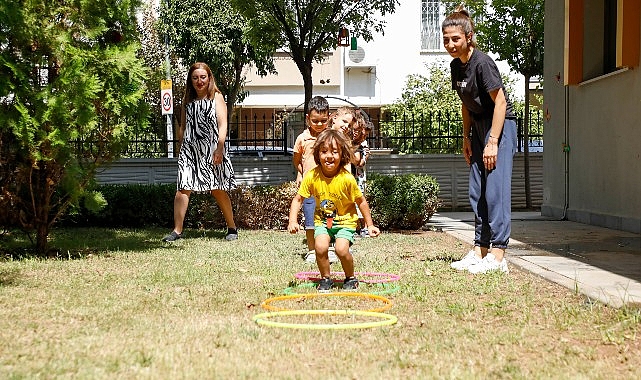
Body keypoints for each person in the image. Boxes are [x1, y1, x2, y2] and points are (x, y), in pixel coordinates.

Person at [442, 7, 517, 274]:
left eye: (455, 39)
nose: (450, 44)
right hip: (477, 127)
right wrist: (466, 136)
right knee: (478, 191)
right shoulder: (455, 66)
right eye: (446, 39)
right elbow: (465, 104)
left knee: (495, 191)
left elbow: (500, 103)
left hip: (499, 126)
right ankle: (479, 251)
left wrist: (493, 141)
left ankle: (498, 257)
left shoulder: (483, 63)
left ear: (469, 37)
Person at [288, 129, 380, 292]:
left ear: (342, 155)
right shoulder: (312, 176)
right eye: (324, 151)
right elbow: (298, 199)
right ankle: (325, 279)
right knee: (321, 248)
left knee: (341, 249)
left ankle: (350, 278)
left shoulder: (346, 178)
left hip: (345, 221)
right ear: (317, 154)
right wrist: (293, 221)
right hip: (324, 221)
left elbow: (361, 202)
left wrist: (370, 225)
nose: (329, 156)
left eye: (334, 152)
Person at [162, 62, 238, 242]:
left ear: (209, 78)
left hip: (211, 150)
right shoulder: (187, 100)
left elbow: (223, 124)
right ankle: (177, 231)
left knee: (217, 189)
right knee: (183, 188)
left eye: (203, 77)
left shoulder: (217, 97)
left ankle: (232, 227)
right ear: (191, 80)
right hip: (189, 150)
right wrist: (181, 147)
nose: (199, 81)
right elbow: (183, 126)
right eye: (195, 77)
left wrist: (219, 147)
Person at [292, 96, 335, 262]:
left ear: (329, 118)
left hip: (328, 186)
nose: (319, 124)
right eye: (315, 121)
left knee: (329, 218)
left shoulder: (330, 137)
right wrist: (301, 174)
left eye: (323, 121)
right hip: (310, 187)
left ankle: (329, 248)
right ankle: (311, 250)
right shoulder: (302, 139)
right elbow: (297, 160)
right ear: (308, 119)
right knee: (310, 220)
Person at [351, 111, 372, 238]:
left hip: (358, 175)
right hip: (352, 174)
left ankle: (363, 227)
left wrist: (363, 159)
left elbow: (360, 159)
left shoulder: (361, 143)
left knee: (360, 199)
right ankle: (356, 227)